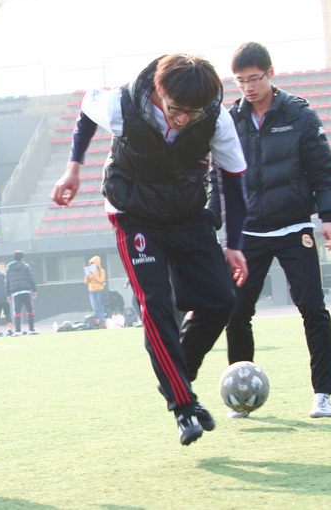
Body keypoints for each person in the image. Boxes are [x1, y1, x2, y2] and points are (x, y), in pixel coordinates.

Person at [51, 53, 249, 446]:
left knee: (222, 299)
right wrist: (73, 167)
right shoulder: (122, 104)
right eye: (175, 110)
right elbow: (85, 108)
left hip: (187, 211)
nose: (183, 120)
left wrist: (234, 245)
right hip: (134, 213)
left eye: (192, 113)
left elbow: (234, 178)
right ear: (159, 92)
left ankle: (177, 377)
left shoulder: (216, 117)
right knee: (156, 304)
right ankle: (183, 406)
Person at [216, 42, 331, 419]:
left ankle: (323, 394)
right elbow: (217, 178)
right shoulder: (229, 120)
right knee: (237, 312)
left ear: (271, 73)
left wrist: (328, 215)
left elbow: (323, 169)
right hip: (248, 233)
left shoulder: (300, 115)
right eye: (240, 81)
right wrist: (212, 222)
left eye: (254, 78)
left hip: (294, 228)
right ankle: (241, 394)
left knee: (313, 309)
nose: (248, 87)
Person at [6, 250, 37, 335]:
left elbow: (7, 282)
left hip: (15, 292)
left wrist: (8, 295)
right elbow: (31, 278)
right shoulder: (26, 266)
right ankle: (31, 330)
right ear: (23, 258)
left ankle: (18, 331)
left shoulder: (9, 268)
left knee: (17, 311)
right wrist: (34, 290)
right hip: (26, 291)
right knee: (29, 310)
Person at [84, 256, 107, 328]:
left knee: (100, 306)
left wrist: (93, 276)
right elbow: (86, 282)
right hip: (92, 291)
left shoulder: (101, 271)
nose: (92, 265)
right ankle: (102, 321)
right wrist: (87, 275)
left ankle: (101, 322)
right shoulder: (90, 272)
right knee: (95, 307)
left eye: (93, 263)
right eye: (91, 263)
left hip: (99, 291)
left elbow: (101, 281)